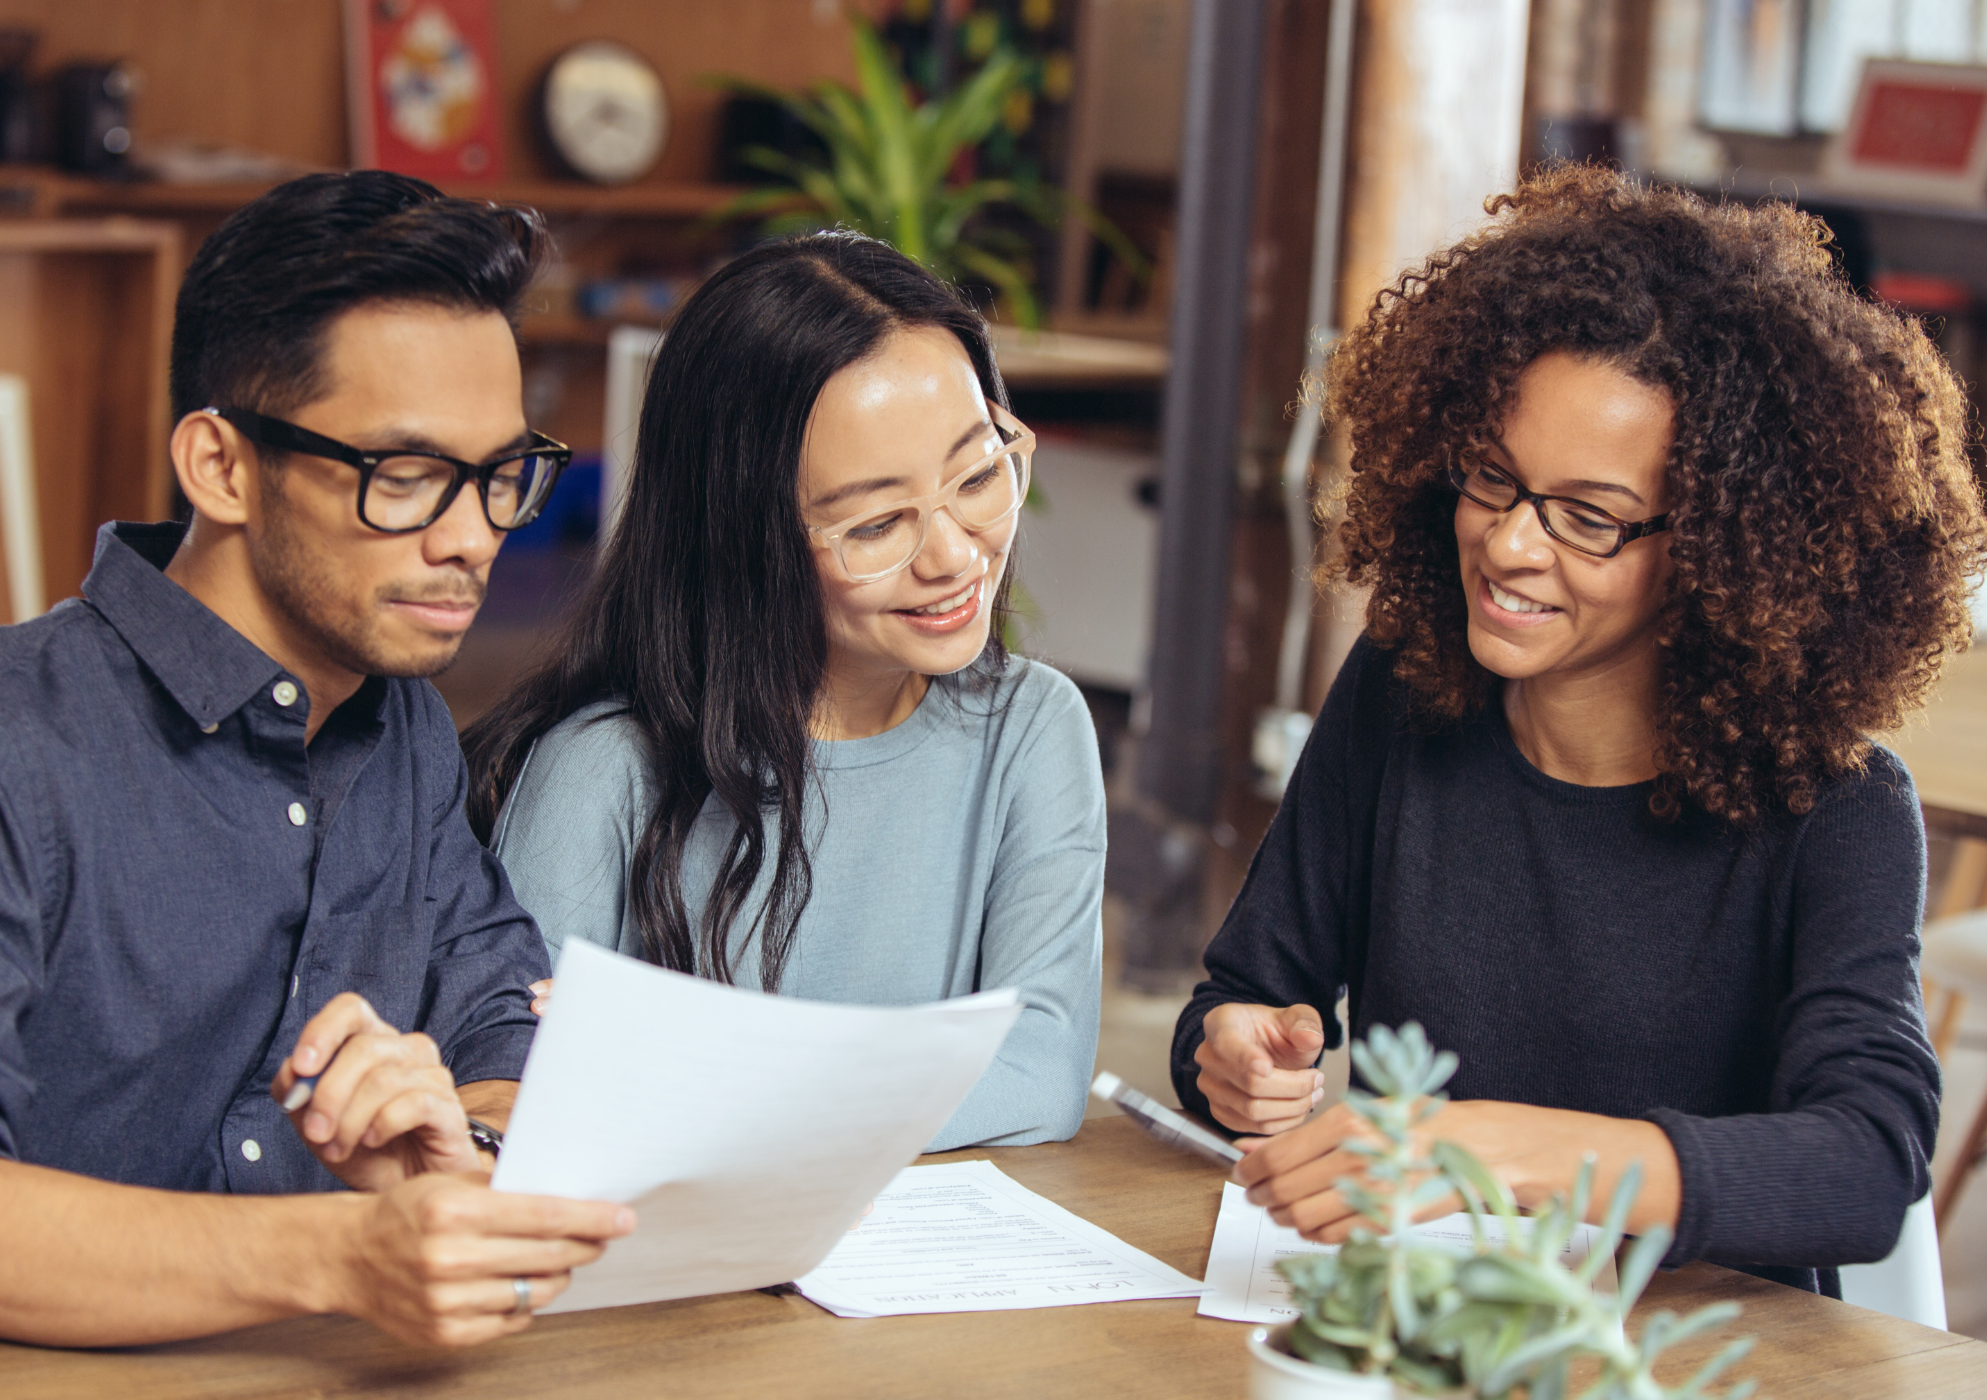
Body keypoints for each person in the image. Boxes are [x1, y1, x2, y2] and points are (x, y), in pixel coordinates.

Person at [1172, 166, 1987, 1296]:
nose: (1508, 545)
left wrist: (1490, 1149)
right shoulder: (1402, 692)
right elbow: (1238, 995)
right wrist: (1237, 1056)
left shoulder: (1832, 805)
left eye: (1587, 518)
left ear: (1714, 550)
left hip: (1708, 1361)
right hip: (1431, 1330)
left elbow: (1864, 1161)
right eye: (1492, 480)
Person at [0, 172, 634, 1350]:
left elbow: (504, 1024)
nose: (472, 537)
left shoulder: (406, 730)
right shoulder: (10, 742)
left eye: (500, 477)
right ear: (222, 466)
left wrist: (464, 1146)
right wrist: (343, 1251)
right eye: (405, 475)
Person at [466, 232, 1103, 1149]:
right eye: (878, 523)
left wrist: (703, 1064)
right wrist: (870, 1082)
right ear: (741, 540)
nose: (957, 555)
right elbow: (523, 1097)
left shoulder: (1032, 730)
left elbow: (1040, 1077)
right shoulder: (602, 768)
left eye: (978, 475)